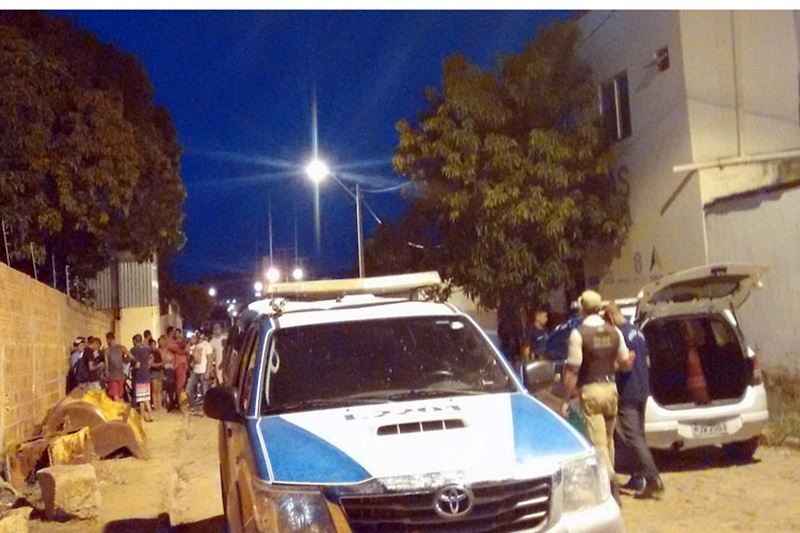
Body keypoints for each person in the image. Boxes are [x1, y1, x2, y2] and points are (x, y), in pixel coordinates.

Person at [560, 290, 634, 505]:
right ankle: (609, 484)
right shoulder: (614, 331)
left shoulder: (579, 334)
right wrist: (629, 360)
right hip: (611, 389)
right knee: (609, 440)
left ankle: (611, 483)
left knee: (598, 442)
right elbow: (625, 363)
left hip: (591, 390)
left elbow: (573, 370)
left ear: (582, 309)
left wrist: (565, 399)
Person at [605, 303, 665, 500]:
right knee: (639, 435)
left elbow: (622, 365)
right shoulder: (637, 332)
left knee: (633, 438)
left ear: (611, 317)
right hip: (642, 388)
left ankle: (653, 479)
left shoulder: (620, 335)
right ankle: (638, 477)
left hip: (628, 391)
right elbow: (646, 361)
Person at [187, 330, 213, 410]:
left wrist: (208, 372)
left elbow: (210, 359)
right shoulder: (194, 346)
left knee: (205, 391)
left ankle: (206, 408)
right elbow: (187, 352)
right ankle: (192, 406)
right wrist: (190, 343)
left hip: (203, 371)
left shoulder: (207, 345)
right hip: (195, 371)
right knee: (189, 389)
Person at [131, 334, 154, 422]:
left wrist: (134, 367)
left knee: (141, 398)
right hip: (147, 374)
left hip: (139, 376)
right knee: (146, 397)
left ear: (134, 341)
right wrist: (148, 365)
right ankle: (148, 415)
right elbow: (151, 357)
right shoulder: (147, 348)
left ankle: (143, 417)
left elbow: (137, 364)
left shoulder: (134, 350)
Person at [104, 331, 131, 402]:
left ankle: (118, 408)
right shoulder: (122, 348)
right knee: (120, 395)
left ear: (108, 339)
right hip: (121, 375)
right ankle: (121, 407)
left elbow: (106, 366)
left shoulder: (107, 351)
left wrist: (106, 377)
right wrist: (125, 360)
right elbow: (130, 356)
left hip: (112, 375)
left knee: (115, 396)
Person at [167, 328, 190, 408]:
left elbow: (187, 351)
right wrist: (181, 350)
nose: (177, 335)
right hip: (177, 365)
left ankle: (179, 400)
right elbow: (172, 347)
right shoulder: (173, 342)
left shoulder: (184, 342)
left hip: (184, 365)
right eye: (176, 333)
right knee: (179, 384)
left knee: (182, 383)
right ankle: (179, 401)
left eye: (178, 333)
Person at [160, 334, 177, 411]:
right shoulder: (159, 351)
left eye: (162, 341)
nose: (161, 343)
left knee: (170, 387)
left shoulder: (170, 351)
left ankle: (171, 402)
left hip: (170, 369)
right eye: (160, 341)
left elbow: (173, 360)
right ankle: (164, 403)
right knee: (163, 387)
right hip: (162, 369)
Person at [149, 338, 165, 411]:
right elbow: (151, 364)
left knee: (159, 390)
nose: (154, 346)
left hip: (160, 371)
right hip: (154, 372)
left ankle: (159, 405)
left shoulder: (158, 352)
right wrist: (160, 364)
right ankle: (155, 406)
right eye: (152, 345)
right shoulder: (150, 354)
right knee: (154, 390)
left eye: (154, 345)